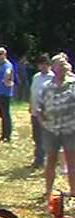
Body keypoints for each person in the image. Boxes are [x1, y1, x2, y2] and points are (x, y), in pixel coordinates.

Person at [38, 54, 75, 201]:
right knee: (51, 160)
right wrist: (43, 123)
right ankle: (48, 191)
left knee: (71, 162)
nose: (62, 66)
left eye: (64, 64)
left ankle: (73, 192)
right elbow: (39, 109)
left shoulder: (73, 84)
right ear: (53, 67)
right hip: (51, 130)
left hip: (70, 129)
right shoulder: (46, 87)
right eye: (59, 64)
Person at [30, 53, 54, 169]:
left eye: (45, 64)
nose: (43, 66)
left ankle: (45, 160)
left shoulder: (53, 78)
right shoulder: (36, 77)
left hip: (47, 112)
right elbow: (32, 92)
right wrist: (31, 105)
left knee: (46, 137)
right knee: (36, 136)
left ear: (49, 65)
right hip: (35, 111)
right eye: (41, 64)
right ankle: (38, 159)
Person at [0, 47, 16, 143]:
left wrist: (6, 79)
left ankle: (7, 135)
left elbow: (8, 72)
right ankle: (4, 134)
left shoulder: (7, 65)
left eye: (1, 54)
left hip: (5, 93)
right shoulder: (0, 65)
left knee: (5, 114)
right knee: (2, 114)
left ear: (5, 55)